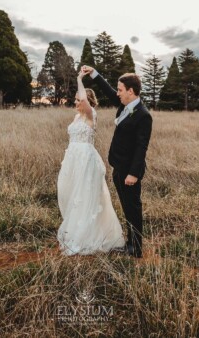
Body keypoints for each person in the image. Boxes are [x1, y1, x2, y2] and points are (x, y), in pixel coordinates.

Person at [82, 66, 152, 258]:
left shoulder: (143, 115)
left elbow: (141, 147)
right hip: (118, 167)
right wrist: (94, 74)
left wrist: (134, 174)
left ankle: (136, 248)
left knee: (133, 207)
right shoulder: (124, 105)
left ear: (131, 91)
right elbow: (108, 91)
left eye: (120, 89)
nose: (117, 93)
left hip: (129, 171)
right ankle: (130, 243)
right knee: (126, 206)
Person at [57, 69, 125, 255]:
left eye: (79, 99)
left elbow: (85, 102)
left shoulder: (90, 114)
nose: (77, 102)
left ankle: (86, 236)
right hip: (73, 158)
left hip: (86, 160)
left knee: (84, 195)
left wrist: (79, 78)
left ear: (88, 101)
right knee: (70, 193)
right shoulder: (77, 116)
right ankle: (75, 231)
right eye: (76, 99)